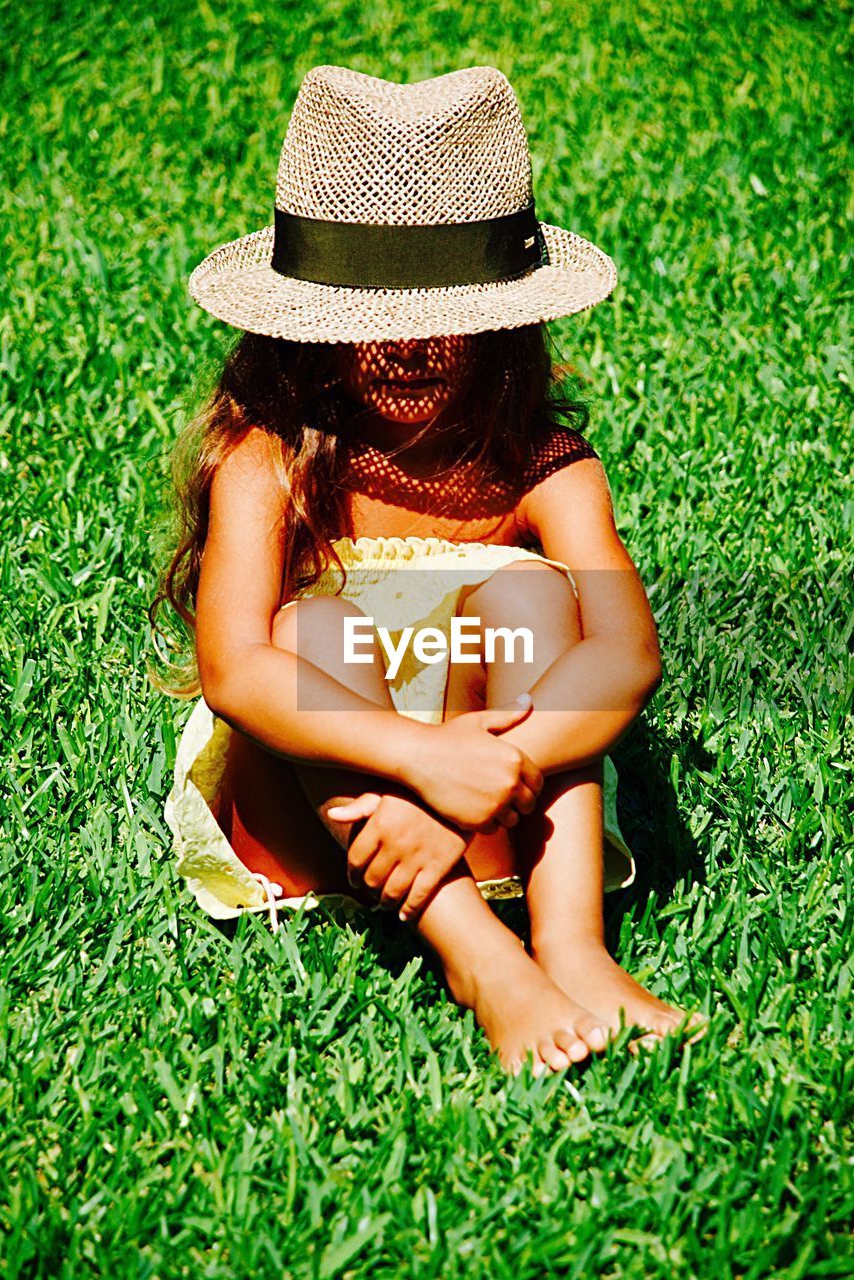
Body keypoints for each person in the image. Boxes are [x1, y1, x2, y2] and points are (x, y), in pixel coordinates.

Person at [153, 64, 707, 1074]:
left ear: (509, 318)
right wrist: (414, 763)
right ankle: (479, 959)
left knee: (537, 594)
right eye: (371, 316)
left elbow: (627, 650)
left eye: (442, 308)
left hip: (500, 808)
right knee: (303, 631)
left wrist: (495, 763)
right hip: (316, 814)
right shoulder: (267, 458)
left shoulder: (546, 467)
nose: (406, 343)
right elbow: (234, 667)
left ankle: (573, 949)